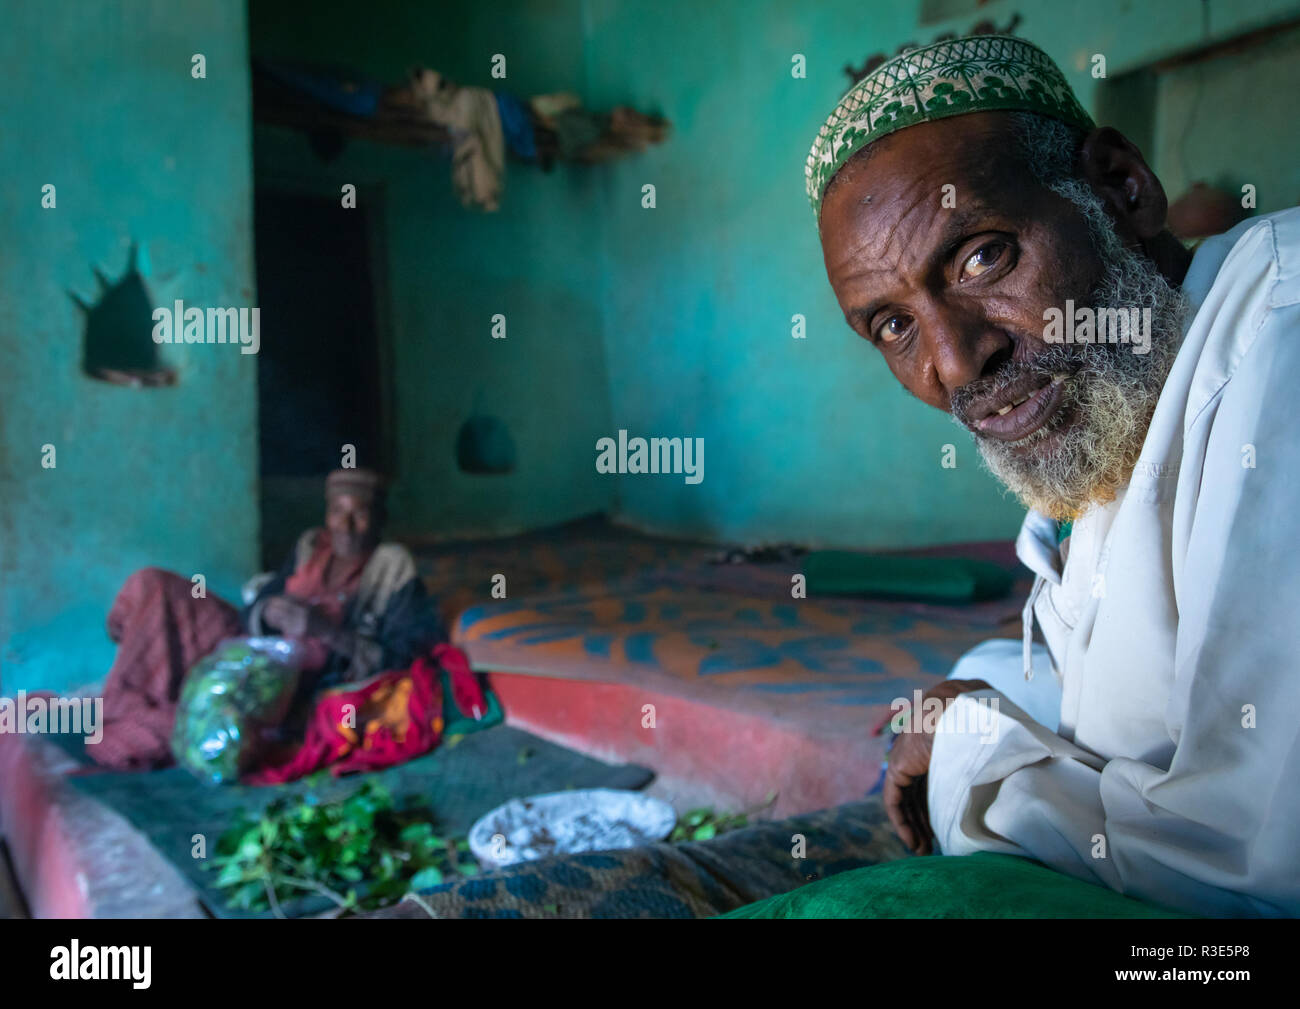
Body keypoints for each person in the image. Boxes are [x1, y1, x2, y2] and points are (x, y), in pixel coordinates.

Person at [807, 33, 1300, 915]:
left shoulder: (1280, 341)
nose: (955, 364)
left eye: (982, 256)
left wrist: (967, 753)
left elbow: (1256, 866)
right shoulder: (1127, 396)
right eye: (892, 326)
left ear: (1123, 188)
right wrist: (971, 692)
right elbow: (1131, 695)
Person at [94, 468, 442, 770]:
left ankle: (161, 718)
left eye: (360, 514)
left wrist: (325, 631)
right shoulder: (311, 545)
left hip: (296, 678)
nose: (347, 527)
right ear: (327, 514)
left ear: (380, 518)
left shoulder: (393, 567)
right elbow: (257, 607)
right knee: (155, 585)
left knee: (223, 712)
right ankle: (129, 698)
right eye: (338, 512)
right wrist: (270, 610)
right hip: (255, 644)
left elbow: (403, 656)